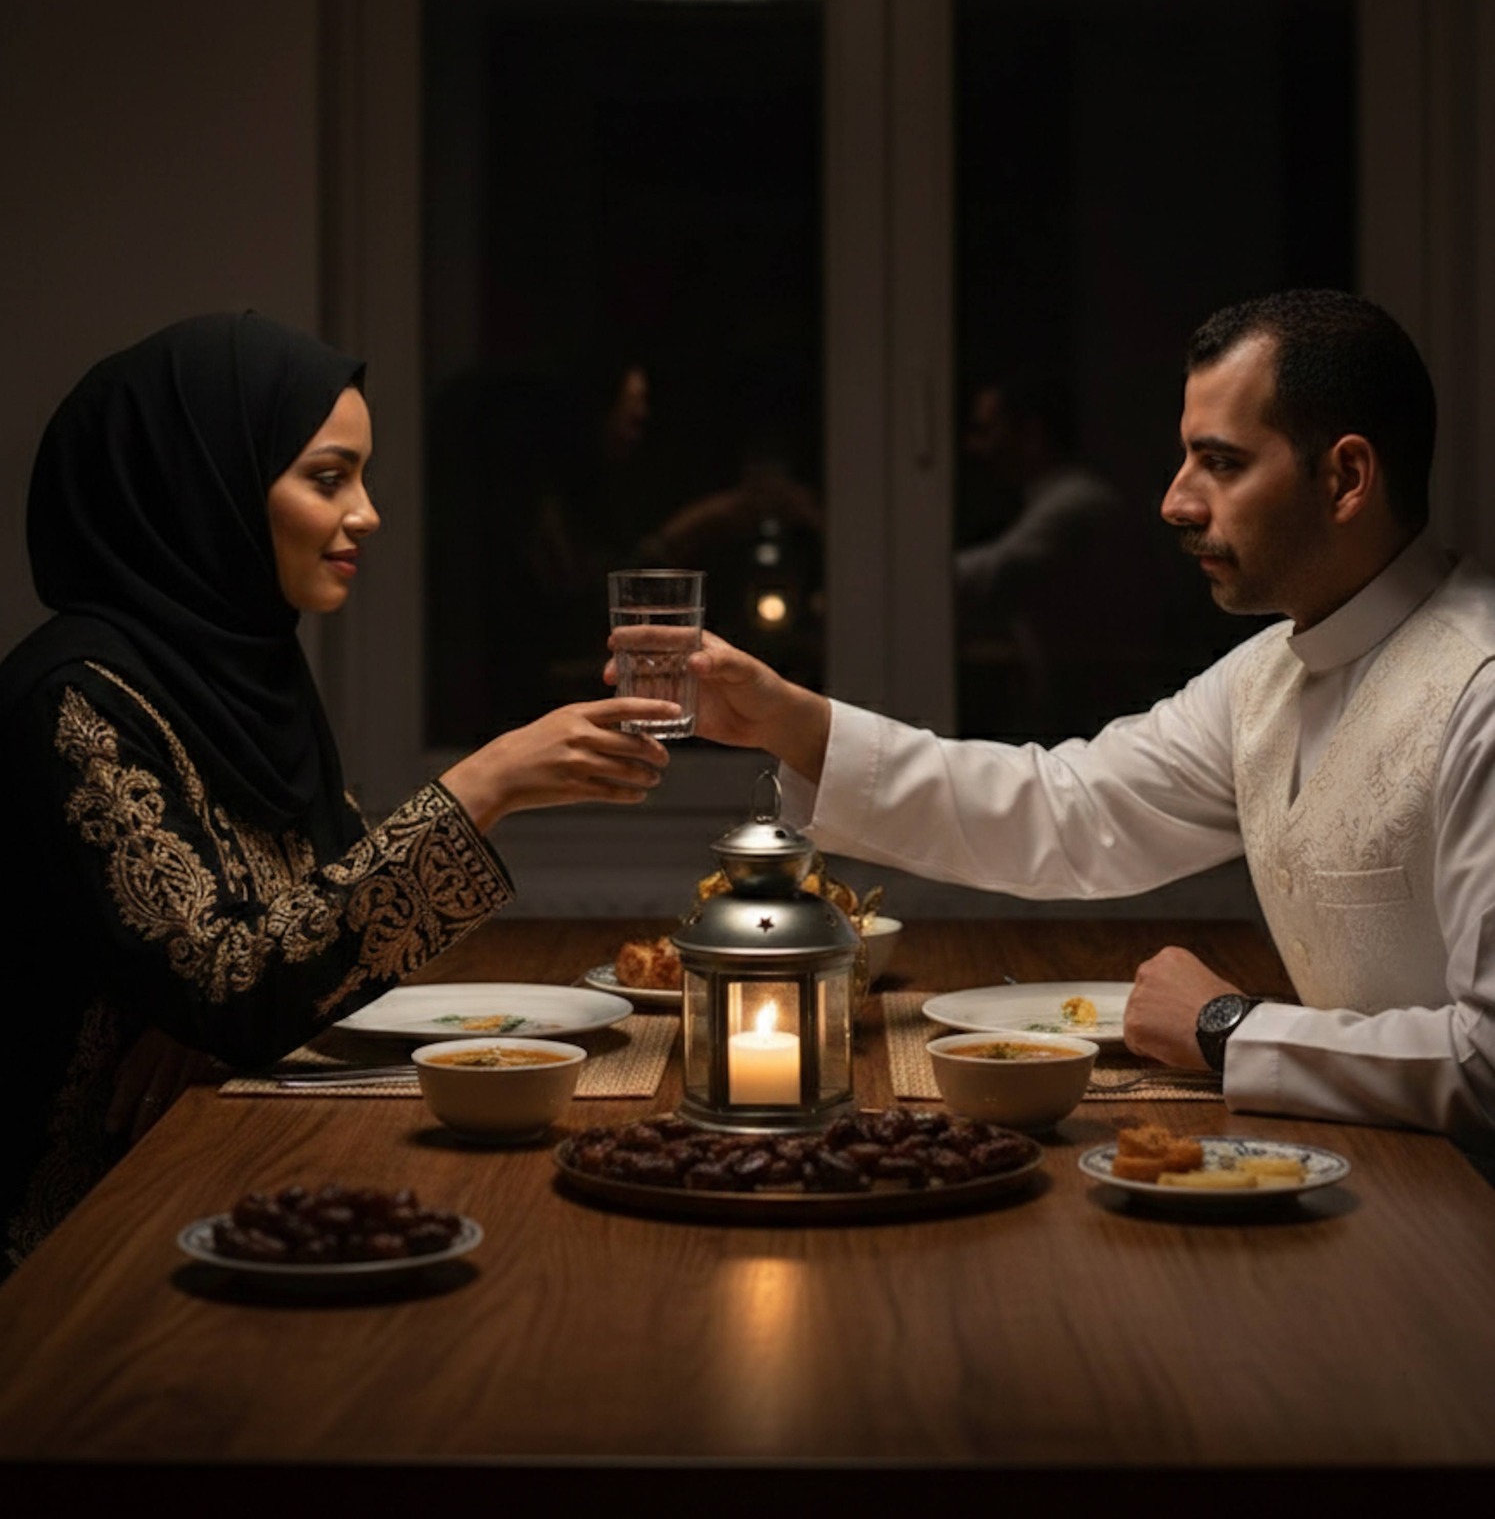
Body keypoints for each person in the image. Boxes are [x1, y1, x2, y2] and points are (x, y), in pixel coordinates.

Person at [655, 291, 1495, 1147]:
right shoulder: (1267, 673)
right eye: (1186, 459)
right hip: (1360, 1163)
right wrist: (790, 722)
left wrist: (1227, 1030)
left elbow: (1488, 1063)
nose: (1175, 502)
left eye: (1221, 463)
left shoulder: (1481, 691)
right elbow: (1068, 808)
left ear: (1345, 478)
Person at [0, 314, 674, 1267]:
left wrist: (210, 1008)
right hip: (79, 1226)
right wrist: (485, 783)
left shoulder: (246, 673)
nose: (367, 513)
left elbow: (294, 943)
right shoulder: (75, 697)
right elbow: (244, 982)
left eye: (360, 476)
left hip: (222, 1157)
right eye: (328, 478)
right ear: (209, 486)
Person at [954, 371, 1158, 739]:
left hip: (1101, 714)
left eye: (986, 430)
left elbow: (984, 577)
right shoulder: (1056, 499)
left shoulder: (1076, 504)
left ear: (1031, 434)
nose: (974, 446)